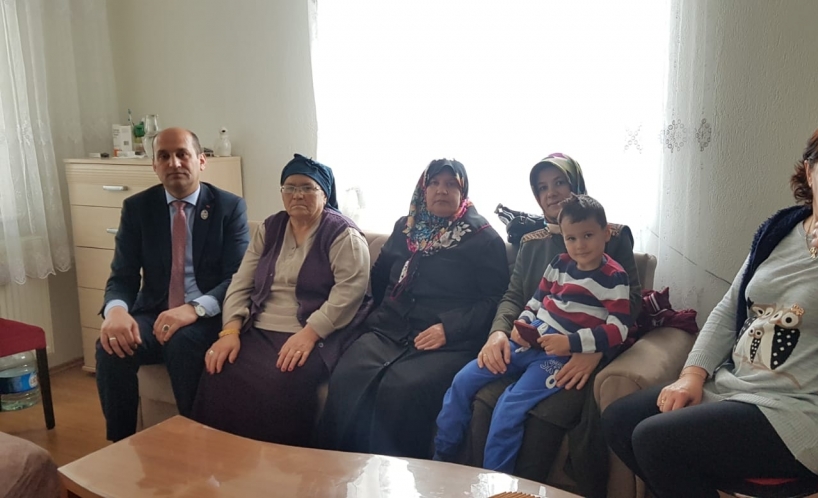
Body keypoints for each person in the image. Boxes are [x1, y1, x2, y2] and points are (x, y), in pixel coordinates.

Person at [602, 114, 818, 497]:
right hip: (736, 390)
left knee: (658, 441)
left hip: (808, 413)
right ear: (810, 171)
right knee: (620, 419)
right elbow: (729, 308)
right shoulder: (781, 229)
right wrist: (693, 373)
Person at [316, 159, 510, 459]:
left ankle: (393, 476)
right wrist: (381, 314)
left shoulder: (483, 238)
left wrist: (449, 328)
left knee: (404, 388)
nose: (441, 190)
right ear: (423, 189)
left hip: (446, 342)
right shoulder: (406, 227)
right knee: (349, 373)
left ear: (463, 191)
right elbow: (380, 276)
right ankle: (334, 468)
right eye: (434, 183)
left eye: (451, 184)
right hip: (389, 332)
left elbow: (494, 300)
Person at [468, 153, 642, 481]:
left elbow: (630, 302)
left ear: (575, 184)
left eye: (560, 182)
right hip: (534, 345)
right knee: (483, 402)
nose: (551, 192)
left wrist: (593, 350)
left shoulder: (613, 235)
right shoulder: (531, 243)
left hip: (584, 349)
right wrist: (498, 333)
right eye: (542, 187)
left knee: (543, 417)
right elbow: (514, 297)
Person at [434, 194, 633, 473]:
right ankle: (442, 457)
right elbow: (536, 301)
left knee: (509, 407)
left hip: (559, 356)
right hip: (529, 340)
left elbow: (619, 328)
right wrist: (521, 324)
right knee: (463, 380)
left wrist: (571, 344)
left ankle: (497, 482)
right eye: (571, 238)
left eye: (588, 235)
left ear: (606, 233)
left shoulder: (615, 277)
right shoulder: (558, 264)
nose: (580, 245)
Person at [190, 154, 372, 447]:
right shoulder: (271, 228)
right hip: (259, 328)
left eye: (307, 187)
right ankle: (219, 459)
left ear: (324, 194)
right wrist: (230, 331)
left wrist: (309, 334)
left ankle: (281, 466)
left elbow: (350, 292)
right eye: (290, 187)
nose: (297, 194)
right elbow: (241, 281)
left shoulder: (343, 234)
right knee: (218, 370)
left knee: (281, 382)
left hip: (315, 332)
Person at [95, 127, 249, 442]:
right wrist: (116, 311)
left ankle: (197, 442)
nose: (174, 163)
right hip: (155, 311)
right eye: (164, 156)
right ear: (154, 165)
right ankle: (120, 445)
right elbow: (122, 276)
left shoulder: (228, 207)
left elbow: (237, 278)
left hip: (207, 315)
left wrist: (193, 309)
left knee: (182, 342)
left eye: (182, 154)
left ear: (201, 161)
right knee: (110, 345)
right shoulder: (137, 208)